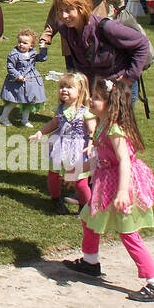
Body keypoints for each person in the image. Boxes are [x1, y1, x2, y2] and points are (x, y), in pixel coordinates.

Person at [62, 77, 154, 301]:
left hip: (122, 185)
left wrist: (122, 192)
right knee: (88, 217)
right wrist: (76, 173)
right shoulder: (102, 126)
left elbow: (125, 162)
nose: (91, 99)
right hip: (106, 182)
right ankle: (91, 261)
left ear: (112, 106)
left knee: (129, 234)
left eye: (98, 98)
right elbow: (101, 159)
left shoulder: (115, 131)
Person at [52, 0, 151, 108]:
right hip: (95, 90)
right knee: (94, 126)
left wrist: (129, 78)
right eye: (60, 10)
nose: (64, 16)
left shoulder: (106, 28)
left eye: (68, 10)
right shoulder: (65, 29)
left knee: (116, 126)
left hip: (119, 86)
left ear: (81, 8)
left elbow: (142, 43)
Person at [30, 72, 94, 216]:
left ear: (80, 92)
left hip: (79, 149)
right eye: (62, 87)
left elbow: (92, 128)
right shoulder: (59, 108)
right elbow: (54, 123)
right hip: (60, 146)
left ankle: (85, 206)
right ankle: (56, 199)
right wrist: (40, 132)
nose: (64, 90)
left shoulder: (85, 111)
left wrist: (91, 142)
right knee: (54, 175)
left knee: (80, 182)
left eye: (69, 87)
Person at [39, 0, 113, 72]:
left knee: (94, 83)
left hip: (93, 42)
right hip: (71, 44)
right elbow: (55, 14)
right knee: (74, 82)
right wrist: (46, 36)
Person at [0, 28, 46, 127]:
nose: (21, 44)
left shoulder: (32, 53)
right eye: (19, 42)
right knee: (13, 100)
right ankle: (3, 117)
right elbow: (10, 67)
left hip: (30, 81)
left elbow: (42, 58)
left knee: (27, 101)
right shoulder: (14, 54)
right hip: (16, 82)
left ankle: (25, 120)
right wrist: (17, 76)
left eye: (25, 43)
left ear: (31, 45)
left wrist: (42, 48)